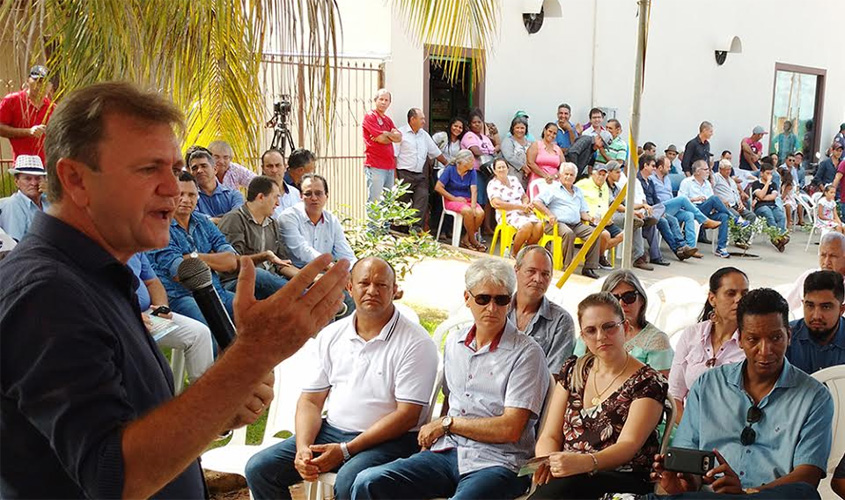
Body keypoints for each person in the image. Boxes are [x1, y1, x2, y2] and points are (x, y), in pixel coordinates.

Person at [0, 81, 350, 498]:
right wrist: (252, 354)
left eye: (174, 168)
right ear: (75, 179)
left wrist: (216, 409)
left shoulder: (94, 274)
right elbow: (115, 476)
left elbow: (132, 425)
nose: (173, 187)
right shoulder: (46, 294)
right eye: (149, 169)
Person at [351, 258, 549, 500]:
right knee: (368, 482)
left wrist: (447, 424)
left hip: (499, 463)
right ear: (467, 298)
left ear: (510, 302)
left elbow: (511, 429)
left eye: (502, 300)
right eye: (483, 298)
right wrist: (438, 433)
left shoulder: (527, 353)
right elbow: (451, 400)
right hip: (447, 452)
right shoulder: (455, 343)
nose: (492, 308)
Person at [245, 257, 438, 500]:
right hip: (332, 431)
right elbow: (310, 401)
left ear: (395, 291)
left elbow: (407, 415)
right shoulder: (332, 335)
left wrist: (346, 451)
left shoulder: (416, 343)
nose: (371, 291)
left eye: (381, 285)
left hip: (392, 440)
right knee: (260, 468)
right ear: (349, 287)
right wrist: (303, 447)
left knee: (351, 480)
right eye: (364, 283)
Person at [652, 288, 833, 498]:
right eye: (753, 339)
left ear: (789, 336)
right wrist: (684, 483)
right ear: (739, 340)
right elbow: (689, 457)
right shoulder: (708, 384)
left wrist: (747, 495)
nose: (765, 350)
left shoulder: (815, 397)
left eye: (775, 338)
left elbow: (807, 475)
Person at [530, 292, 667, 499]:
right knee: (561, 485)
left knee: (567, 486)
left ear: (626, 329)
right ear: (583, 337)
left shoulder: (647, 382)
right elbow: (550, 434)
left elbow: (628, 446)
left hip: (621, 478)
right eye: (591, 331)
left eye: (609, 327)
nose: (601, 336)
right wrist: (550, 461)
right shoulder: (574, 370)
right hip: (568, 477)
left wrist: (584, 463)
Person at [148, 172, 238, 325]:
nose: (186, 200)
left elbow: (232, 261)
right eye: (180, 194)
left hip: (216, 291)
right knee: (209, 332)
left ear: (198, 197)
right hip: (182, 297)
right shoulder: (159, 227)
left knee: (253, 315)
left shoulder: (203, 222)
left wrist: (193, 256)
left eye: (192, 195)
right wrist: (213, 257)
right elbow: (180, 273)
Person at [668, 267, 749, 420]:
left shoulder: (752, 344)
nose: (739, 299)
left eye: (745, 294)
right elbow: (674, 396)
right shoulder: (691, 335)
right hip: (688, 426)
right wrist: (689, 431)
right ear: (712, 299)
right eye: (731, 293)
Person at [128, 252, 214, 384]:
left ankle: (204, 395)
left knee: (200, 333)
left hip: (149, 312)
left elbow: (152, 282)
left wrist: (161, 307)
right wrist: (128, 316)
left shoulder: (133, 248)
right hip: (121, 317)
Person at [574, 271, 673, 376]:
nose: (621, 303)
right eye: (613, 298)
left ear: (642, 300)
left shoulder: (657, 340)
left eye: (629, 297)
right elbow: (574, 374)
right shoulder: (590, 331)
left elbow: (660, 386)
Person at [218, 176, 298, 299]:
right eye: (275, 197)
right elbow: (233, 265)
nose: (278, 203)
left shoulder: (273, 224)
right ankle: (309, 297)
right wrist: (264, 256)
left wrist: (310, 277)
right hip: (237, 283)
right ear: (261, 197)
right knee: (257, 273)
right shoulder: (234, 220)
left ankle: (310, 294)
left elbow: (281, 264)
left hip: (270, 282)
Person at [508, 245, 575, 372]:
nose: (538, 279)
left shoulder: (561, 321)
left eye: (545, 274)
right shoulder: (498, 308)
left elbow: (555, 375)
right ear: (516, 270)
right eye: (531, 271)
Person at [533, 163, 602, 279]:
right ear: (560, 175)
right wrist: (549, 214)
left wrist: (591, 218)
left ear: (575, 177)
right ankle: (567, 267)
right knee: (568, 233)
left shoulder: (578, 191)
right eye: (566, 174)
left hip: (576, 224)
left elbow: (582, 212)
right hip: (556, 224)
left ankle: (589, 267)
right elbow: (536, 202)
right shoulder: (553, 189)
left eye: (571, 175)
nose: (568, 177)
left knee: (595, 232)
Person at [278, 173, 357, 269]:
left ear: (326, 196)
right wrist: (329, 266)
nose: (314, 198)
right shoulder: (288, 217)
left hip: (325, 273)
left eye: (318, 193)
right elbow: (301, 250)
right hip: (294, 275)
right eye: (308, 194)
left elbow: (346, 254)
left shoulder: (332, 221)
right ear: (301, 196)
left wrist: (357, 271)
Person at [638, 155, 705, 261]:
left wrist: (660, 210)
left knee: (688, 215)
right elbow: (642, 199)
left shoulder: (653, 181)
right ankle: (679, 249)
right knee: (681, 200)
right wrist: (659, 209)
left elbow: (655, 198)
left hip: (660, 208)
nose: (654, 168)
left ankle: (687, 248)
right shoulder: (642, 180)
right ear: (645, 166)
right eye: (652, 166)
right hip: (650, 209)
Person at [606, 160, 666, 268]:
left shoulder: (617, 188)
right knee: (634, 221)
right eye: (617, 172)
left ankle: (646, 219)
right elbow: (615, 206)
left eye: (620, 172)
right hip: (611, 216)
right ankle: (638, 257)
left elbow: (628, 204)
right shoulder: (605, 188)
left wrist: (642, 206)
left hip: (623, 214)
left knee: (652, 213)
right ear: (609, 172)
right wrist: (633, 212)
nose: (620, 174)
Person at [394, 108, 448, 230]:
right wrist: (395, 178)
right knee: (402, 203)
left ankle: (416, 228)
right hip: (404, 174)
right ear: (412, 119)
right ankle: (400, 230)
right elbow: (394, 156)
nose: (424, 121)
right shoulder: (400, 134)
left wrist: (447, 163)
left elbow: (435, 151)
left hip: (419, 175)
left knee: (422, 200)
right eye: (421, 118)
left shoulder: (424, 135)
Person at [786, 270, 845, 373]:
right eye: (810, 306)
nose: (816, 315)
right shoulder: (786, 337)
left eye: (826, 307)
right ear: (803, 304)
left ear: (841, 310)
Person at [487, 158, 543, 255]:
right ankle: (515, 253)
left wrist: (525, 205)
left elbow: (524, 196)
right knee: (527, 225)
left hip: (522, 211)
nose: (501, 169)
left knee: (539, 226)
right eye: (498, 168)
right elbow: (497, 203)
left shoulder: (513, 179)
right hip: (506, 214)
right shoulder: (493, 184)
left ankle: (525, 252)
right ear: (495, 171)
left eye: (503, 167)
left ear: (508, 168)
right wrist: (519, 207)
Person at [678, 160, 732, 258]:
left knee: (723, 216)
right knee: (714, 198)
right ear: (698, 171)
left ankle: (721, 248)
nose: (709, 171)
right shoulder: (687, 182)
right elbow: (680, 201)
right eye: (706, 169)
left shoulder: (707, 183)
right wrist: (695, 199)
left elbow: (711, 200)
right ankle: (734, 218)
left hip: (706, 211)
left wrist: (713, 207)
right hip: (694, 210)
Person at [434, 149, 485, 251]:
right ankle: (473, 241)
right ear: (462, 161)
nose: (473, 163)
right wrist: (455, 199)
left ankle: (466, 239)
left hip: (467, 200)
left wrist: (474, 206)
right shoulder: (450, 169)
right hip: (451, 199)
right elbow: (438, 187)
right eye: (471, 160)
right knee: (467, 211)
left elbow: (474, 190)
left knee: (480, 213)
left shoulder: (472, 171)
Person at [0, 65, 54, 161]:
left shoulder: (52, 108)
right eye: (37, 81)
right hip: (23, 165)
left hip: (46, 166)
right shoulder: (13, 100)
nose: (41, 85)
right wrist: (28, 132)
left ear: (50, 86)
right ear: (28, 81)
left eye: (45, 82)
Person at [575, 164, 623, 269]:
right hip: (590, 220)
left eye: (603, 175)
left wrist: (608, 217)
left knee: (624, 235)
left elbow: (605, 205)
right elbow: (574, 200)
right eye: (599, 174)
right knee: (605, 235)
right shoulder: (583, 184)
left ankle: (598, 254)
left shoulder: (605, 187)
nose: (601, 177)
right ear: (593, 174)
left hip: (604, 220)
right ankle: (600, 257)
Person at [787, 231, 845, 311]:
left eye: (833, 256)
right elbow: (788, 307)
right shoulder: (808, 277)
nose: (826, 262)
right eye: (823, 255)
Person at [362, 89, 401, 204]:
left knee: (388, 201)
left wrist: (386, 134)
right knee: (375, 201)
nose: (383, 102)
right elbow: (381, 139)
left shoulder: (388, 120)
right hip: (375, 165)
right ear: (375, 100)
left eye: (386, 100)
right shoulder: (370, 117)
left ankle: (386, 223)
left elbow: (399, 138)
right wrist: (390, 136)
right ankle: (374, 223)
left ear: (389, 103)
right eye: (381, 99)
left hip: (389, 165)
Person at [461, 108, 497, 234]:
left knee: (487, 200)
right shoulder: (468, 136)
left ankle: (486, 227)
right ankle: (475, 230)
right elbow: (476, 151)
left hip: (487, 172)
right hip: (475, 172)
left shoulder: (484, 138)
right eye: (474, 122)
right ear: (470, 124)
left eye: (479, 122)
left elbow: (494, 150)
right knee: (478, 200)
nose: (477, 124)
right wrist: (489, 156)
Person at [0, 154, 50, 241]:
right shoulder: (13, 205)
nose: (34, 183)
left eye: (38, 178)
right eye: (28, 179)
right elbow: (14, 245)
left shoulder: (49, 200)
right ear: (17, 182)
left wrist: (53, 193)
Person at [188, 149, 244, 221]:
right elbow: (193, 220)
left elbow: (237, 219)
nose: (199, 170)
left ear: (215, 169)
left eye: (204, 166)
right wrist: (224, 220)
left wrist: (209, 220)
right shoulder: (188, 198)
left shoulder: (234, 195)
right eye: (194, 168)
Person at [431, 117, 466, 232]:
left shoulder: (461, 143)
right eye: (455, 126)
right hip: (439, 171)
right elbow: (430, 147)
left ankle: (449, 229)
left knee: (451, 201)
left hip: (453, 174)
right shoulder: (442, 136)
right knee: (439, 201)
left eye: (460, 127)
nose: (457, 129)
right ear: (450, 125)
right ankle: (438, 230)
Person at [751, 163, 789, 250]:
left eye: (771, 174)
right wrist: (767, 183)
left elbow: (773, 197)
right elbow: (760, 195)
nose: (770, 176)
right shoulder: (756, 183)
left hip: (773, 205)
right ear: (761, 173)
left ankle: (779, 239)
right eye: (767, 173)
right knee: (769, 215)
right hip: (760, 207)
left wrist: (760, 198)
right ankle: (776, 237)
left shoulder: (774, 184)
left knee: (781, 216)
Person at [713, 159, 756, 223]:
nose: (728, 171)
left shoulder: (731, 180)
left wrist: (740, 203)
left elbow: (736, 194)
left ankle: (746, 232)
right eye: (726, 169)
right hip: (725, 206)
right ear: (720, 169)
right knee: (737, 216)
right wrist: (720, 200)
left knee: (751, 216)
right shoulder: (716, 177)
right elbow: (710, 190)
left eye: (729, 169)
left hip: (736, 205)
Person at [260, 148, 301, 213]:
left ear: (285, 167)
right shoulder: (259, 195)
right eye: (269, 166)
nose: (274, 170)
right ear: (263, 169)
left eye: (278, 165)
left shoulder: (295, 193)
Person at [501, 116, 531, 185]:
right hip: (512, 175)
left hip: (527, 176)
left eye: (522, 128)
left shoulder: (529, 143)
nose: (520, 130)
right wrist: (522, 167)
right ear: (513, 128)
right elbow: (509, 157)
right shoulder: (508, 141)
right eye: (517, 128)